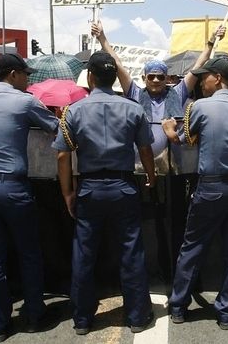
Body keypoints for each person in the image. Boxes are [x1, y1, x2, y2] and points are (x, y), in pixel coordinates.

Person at [54, 51, 156, 335]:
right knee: (130, 251)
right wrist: (150, 177)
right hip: (123, 187)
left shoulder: (74, 110)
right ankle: (137, 316)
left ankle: (83, 319)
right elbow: (145, 149)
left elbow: (63, 156)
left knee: (84, 254)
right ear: (114, 78)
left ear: (91, 77)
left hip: (89, 188)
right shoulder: (133, 108)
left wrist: (67, 193)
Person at [162, 57, 228, 330]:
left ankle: (179, 306)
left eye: (204, 77)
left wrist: (170, 132)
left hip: (211, 186)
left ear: (217, 77)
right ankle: (227, 313)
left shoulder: (199, 107)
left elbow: (186, 141)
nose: (202, 82)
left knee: (192, 247)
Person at [0, 53, 58, 343]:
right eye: (25, 73)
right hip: (13, 187)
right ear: (12, 74)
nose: (28, 78)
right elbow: (55, 127)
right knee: (28, 252)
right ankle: (34, 315)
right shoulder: (26, 101)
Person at [91, 20, 225, 157]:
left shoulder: (177, 94)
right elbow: (117, 64)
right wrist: (102, 37)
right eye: (151, 77)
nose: (156, 80)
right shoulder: (135, 93)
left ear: (167, 79)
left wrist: (211, 41)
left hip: (171, 167)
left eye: (160, 77)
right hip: (139, 165)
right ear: (144, 79)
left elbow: (198, 65)